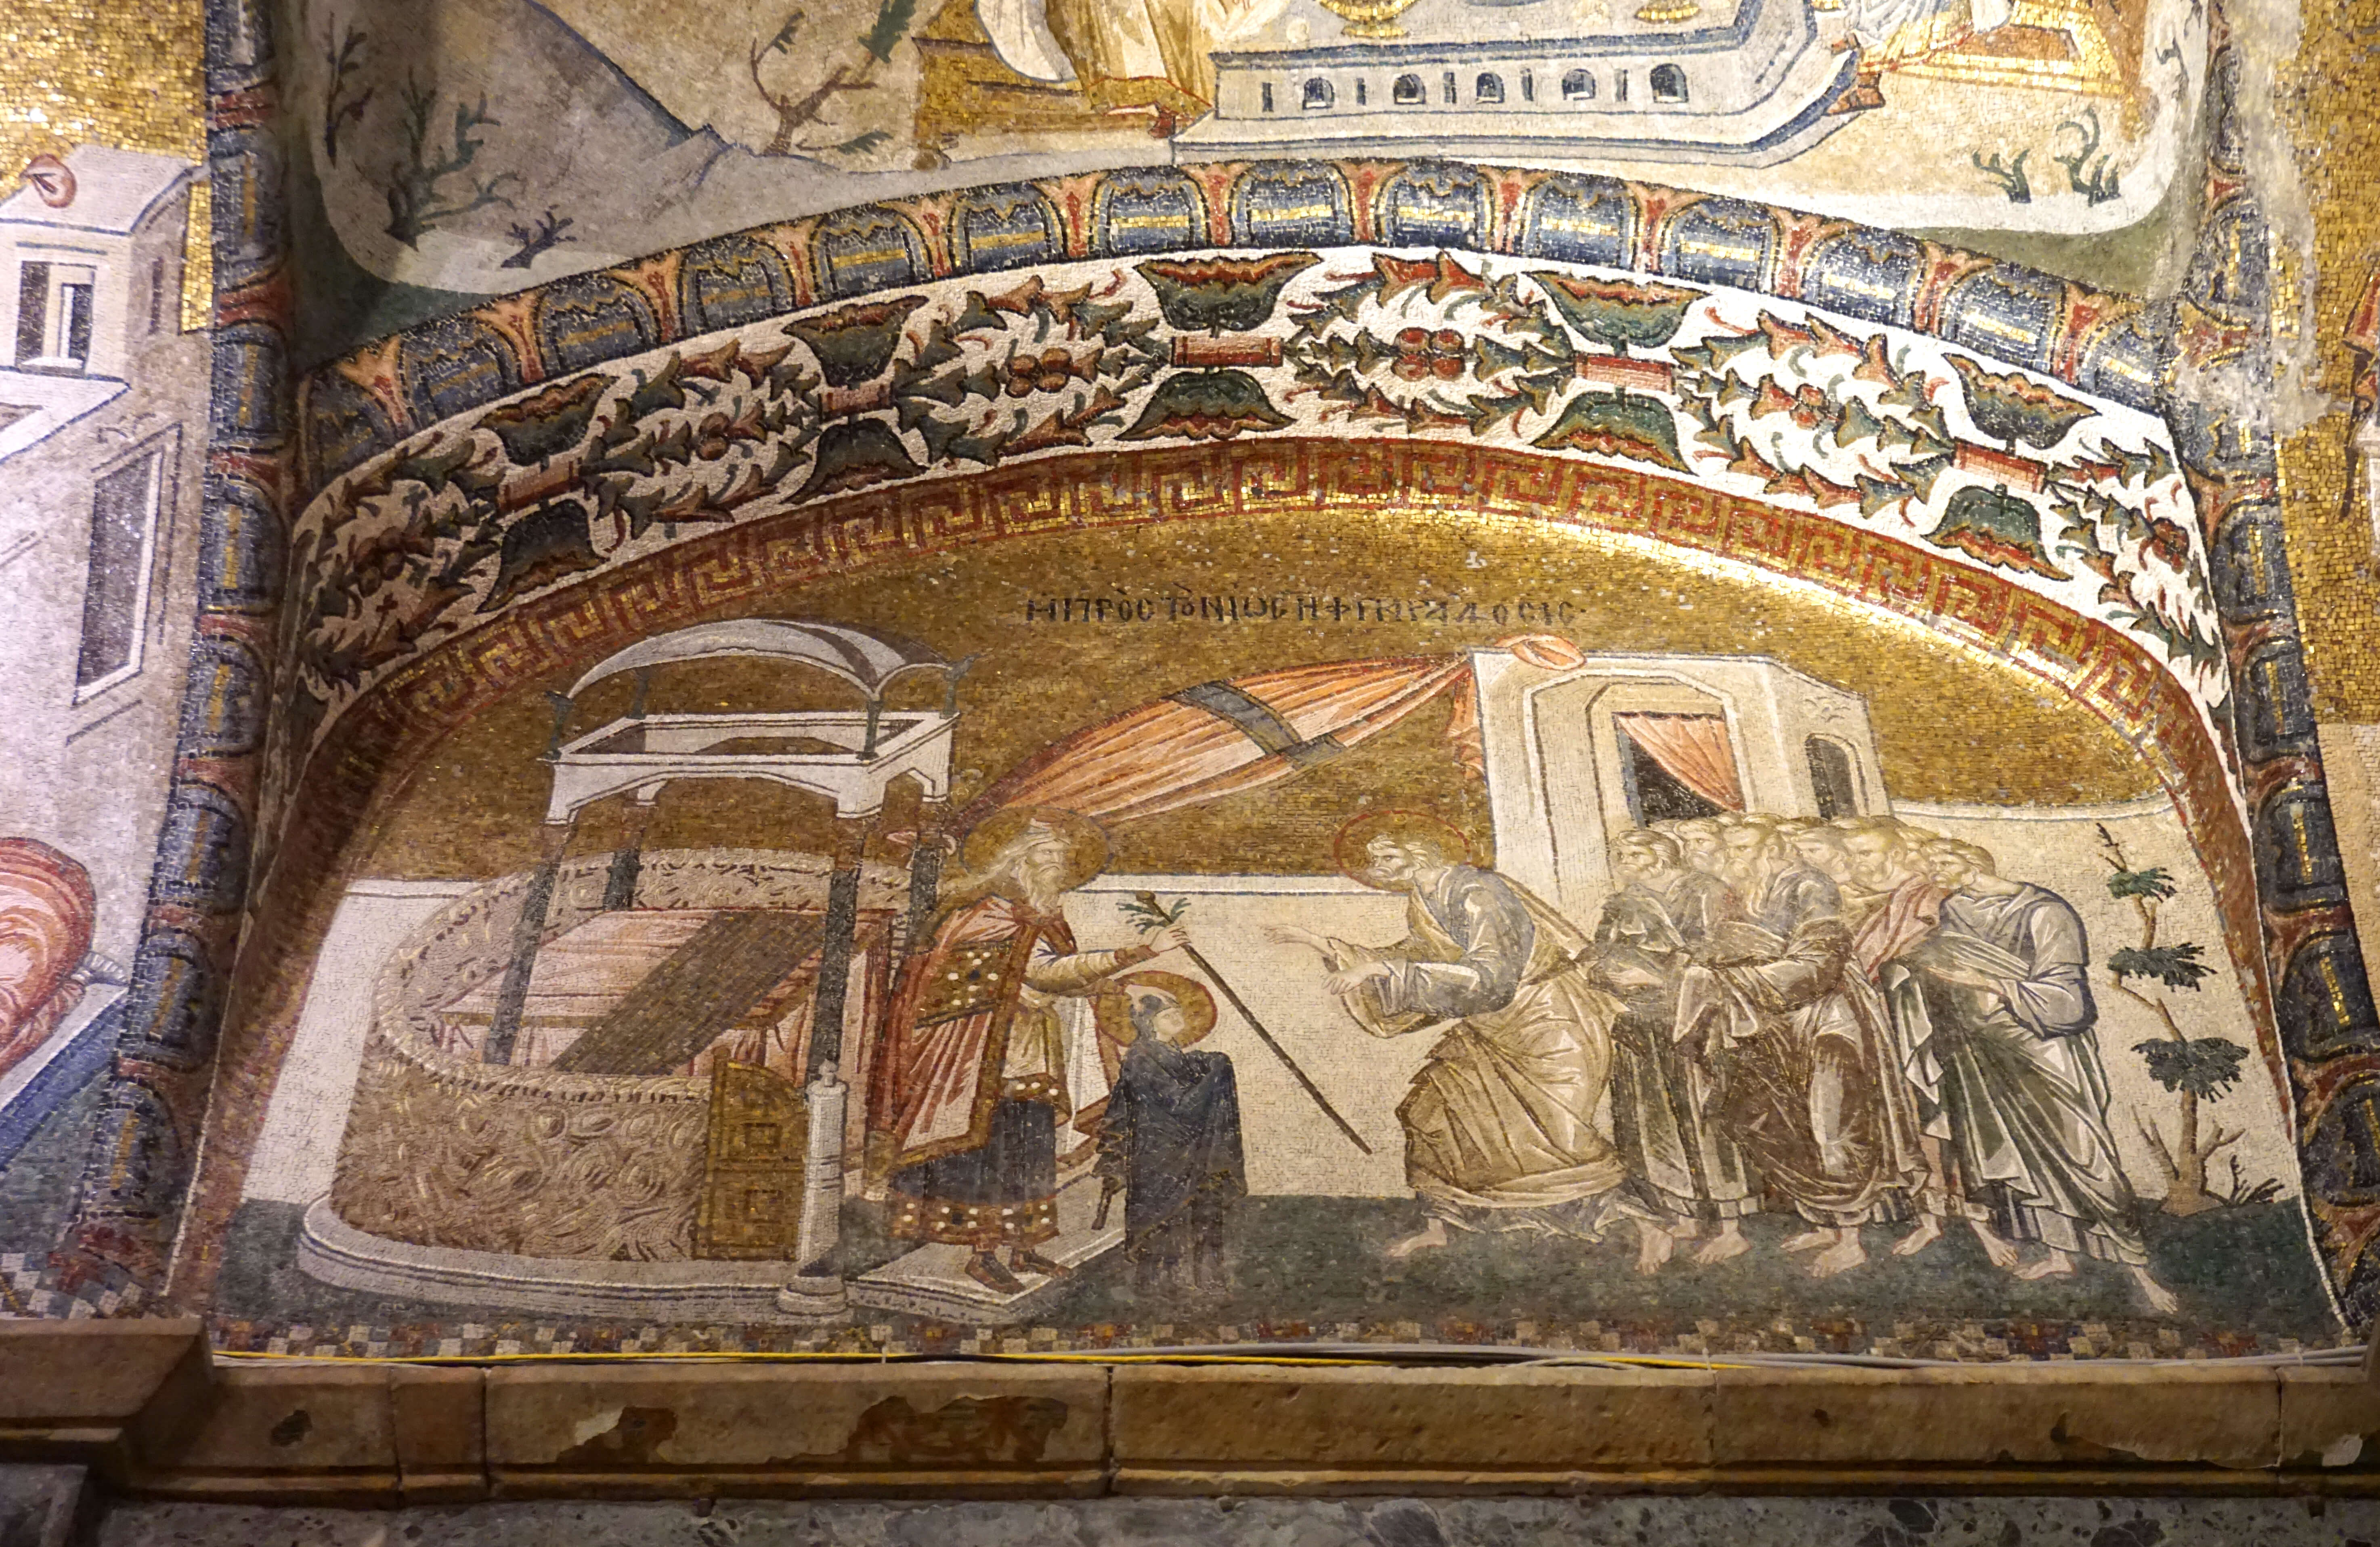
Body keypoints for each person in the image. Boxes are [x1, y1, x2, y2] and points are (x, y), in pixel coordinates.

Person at [1271, 811, 1628, 1257]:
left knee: (1558, 1138)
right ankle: (1441, 1226)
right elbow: (1422, 955)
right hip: (1491, 1025)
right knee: (1432, 1111)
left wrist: (1385, 970)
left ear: (1419, 849)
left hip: (1545, 1022)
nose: (1376, 866)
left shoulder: (1479, 891)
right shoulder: (1426, 894)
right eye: (1370, 859)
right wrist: (1327, 946)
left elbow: (1492, 976)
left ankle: (1634, 1222)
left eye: (1386, 854)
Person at [871, 805, 1186, 1295]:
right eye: (1052, 862)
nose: (1059, 874)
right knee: (994, 1153)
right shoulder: (987, 918)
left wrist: (1097, 988)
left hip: (1032, 1052)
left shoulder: (1037, 921)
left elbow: (1047, 978)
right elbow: (1041, 974)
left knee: (1033, 1150)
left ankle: (1024, 1246)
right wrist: (1138, 951)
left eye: (1062, 865)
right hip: (984, 1060)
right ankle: (984, 1253)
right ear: (1021, 863)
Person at [1881, 840, 2179, 1314]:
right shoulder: (1955, 910)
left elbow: (2068, 1000)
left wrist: (1990, 984)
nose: (1935, 873)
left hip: (2042, 1047)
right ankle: (2059, 1255)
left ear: (1975, 863)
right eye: (1931, 865)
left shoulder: (2044, 912)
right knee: (2017, 1156)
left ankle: (2139, 1270)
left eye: (1944, 863)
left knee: (2080, 1153)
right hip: (1980, 1051)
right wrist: (1909, 972)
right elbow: (1938, 962)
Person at [1672, 821, 1925, 1276]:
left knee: (1834, 1117)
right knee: (1784, 1120)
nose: (1736, 856)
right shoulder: (1745, 891)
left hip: (1825, 1016)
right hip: (1767, 1021)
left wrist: (1733, 980)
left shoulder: (1810, 885)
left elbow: (1818, 963)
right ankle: (1822, 1219)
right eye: (1732, 848)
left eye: (1746, 848)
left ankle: (1852, 1237)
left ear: (1773, 847)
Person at [1588, 828, 1756, 1272]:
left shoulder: (1708, 892)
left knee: (1707, 1118)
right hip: (1641, 1024)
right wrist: (1609, 973)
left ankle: (1730, 1228)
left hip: (1698, 1023)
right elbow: (1601, 953)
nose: (1622, 862)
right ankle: (1679, 1214)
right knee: (1651, 1123)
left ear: (1659, 855)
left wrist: (1662, 977)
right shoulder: (1624, 902)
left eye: (1630, 854)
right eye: (1619, 854)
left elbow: (1730, 953)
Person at [1092, 971, 1246, 1293]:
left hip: (1197, 1153)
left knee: (1205, 1214)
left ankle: (1208, 1280)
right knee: (1165, 1222)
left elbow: (1194, 1088)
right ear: (1149, 1022)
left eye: (1178, 1012)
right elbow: (1179, 1103)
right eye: (1168, 1014)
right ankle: (1161, 1287)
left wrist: (1212, 1065)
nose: (1178, 1017)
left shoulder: (1183, 1059)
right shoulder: (1141, 1058)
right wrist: (1215, 1072)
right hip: (1161, 1157)